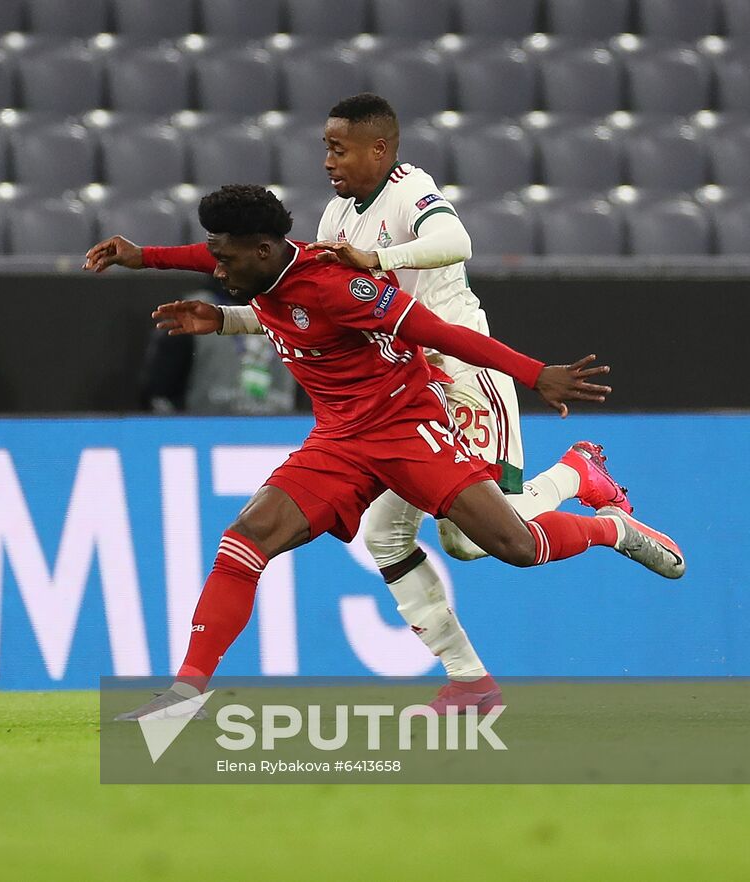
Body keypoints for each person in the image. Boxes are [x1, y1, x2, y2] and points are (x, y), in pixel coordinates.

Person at [83, 184, 685, 721]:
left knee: (512, 547)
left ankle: (608, 528)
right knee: (247, 535)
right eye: (213, 252)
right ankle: (187, 692)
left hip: (407, 428)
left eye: (225, 256)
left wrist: (535, 374)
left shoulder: (340, 287)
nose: (214, 266)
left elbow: (440, 333)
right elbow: (209, 255)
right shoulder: (260, 267)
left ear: (263, 251)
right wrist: (144, 256)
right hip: (340, 440)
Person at [197, 93, 634, 712]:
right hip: (406, 389)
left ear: (380, 148)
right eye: (325, 146)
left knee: (474, 539)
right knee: (391, 536)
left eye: (339, 147)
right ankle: (471, 682)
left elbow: (456, 241)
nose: (328, 159)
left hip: (462, 372)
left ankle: (574, 479)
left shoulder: (411, 189)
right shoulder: (333, 220)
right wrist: (223, 321)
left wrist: (380, 258)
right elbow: (302, 310)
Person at [141, 282, 299, 415]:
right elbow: (159, 397)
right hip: (207, 441)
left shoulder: (297, 314)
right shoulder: (191, 314)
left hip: (283, 442)